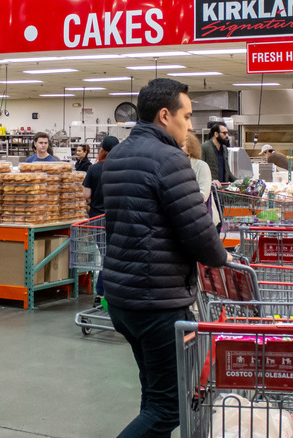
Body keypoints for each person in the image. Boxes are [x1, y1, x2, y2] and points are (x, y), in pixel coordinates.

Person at [102, 78, 231, 437]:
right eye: (186, 116)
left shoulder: (118, 156)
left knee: (153, 396)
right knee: (169, 406)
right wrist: (224, 258)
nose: (190, 125)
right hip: (157, 300)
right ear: (164, 115)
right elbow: (198, 231)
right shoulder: (171, 159)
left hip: (122, 296)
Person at [81, 135, 119, 307]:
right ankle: (106, 294)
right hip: (116, 218)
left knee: (105, 256)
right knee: (112, 257)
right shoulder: (121, 169)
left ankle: (101, 294)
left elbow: (86, 194)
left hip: (96, 218)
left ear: (102, 149)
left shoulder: (94, 169)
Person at [185, 133, 221, 229]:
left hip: (205, 222)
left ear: (190, 149)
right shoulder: (175, 167)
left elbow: (203, 195)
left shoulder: (201, 166)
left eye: (181, 145)